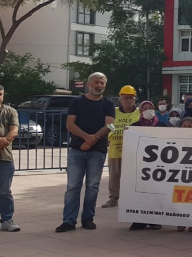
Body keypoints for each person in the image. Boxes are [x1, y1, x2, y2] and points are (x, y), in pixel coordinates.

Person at [56, 73, 116, 233]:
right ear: (89, 84)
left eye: (102, 83)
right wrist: (86, 138)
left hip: (97, 151)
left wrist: (92, 140)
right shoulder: (77, 101)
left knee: (92, 186)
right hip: (77, 150)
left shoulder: (108, 104)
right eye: (96, 82)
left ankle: (88, 218)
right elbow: (70, 124)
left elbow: (111, 126)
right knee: (73, 186)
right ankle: (69, 220)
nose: (99, 85)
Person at [102, 85, 140, 209]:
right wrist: (112, 134)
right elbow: (108, 125)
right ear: (120, 99)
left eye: (131, 98)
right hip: (116, 149)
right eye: (125, 98)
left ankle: (131, 198)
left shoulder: (138, 113)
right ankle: (113, 198)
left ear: (134, 99)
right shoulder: (114, 112)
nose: (128, 100)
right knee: (114, 176)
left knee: (132, 176)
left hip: (133, 151)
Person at [128, 101, 164, 231]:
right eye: (145, 108)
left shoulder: (162, 126)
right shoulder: (134, 127)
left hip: (159, 165)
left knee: (156, 192)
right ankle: (139, 220)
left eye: (150, 108)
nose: (148, 110)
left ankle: (155, 220)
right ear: (140, 111)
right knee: (140, 192)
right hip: (140, 165)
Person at [0, 85, 20, 232]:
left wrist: (3, 141)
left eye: (0, 94)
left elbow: (14, 132)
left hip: (5, 158)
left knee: (5, 192)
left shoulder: (10, 112)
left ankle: (7, 220)